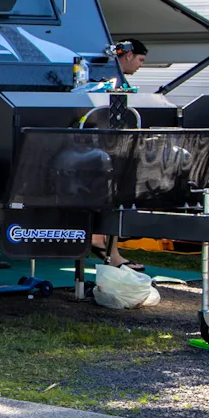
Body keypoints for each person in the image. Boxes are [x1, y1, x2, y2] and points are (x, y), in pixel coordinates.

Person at [92, 39, 148, 271]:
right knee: (114, 195)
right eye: (140, 60)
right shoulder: (108, 79)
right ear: (127, 54)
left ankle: (103, 243)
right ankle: (107, 249)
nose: (140, 66)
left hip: (105, 150)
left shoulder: (111, 79)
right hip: (102, 151)